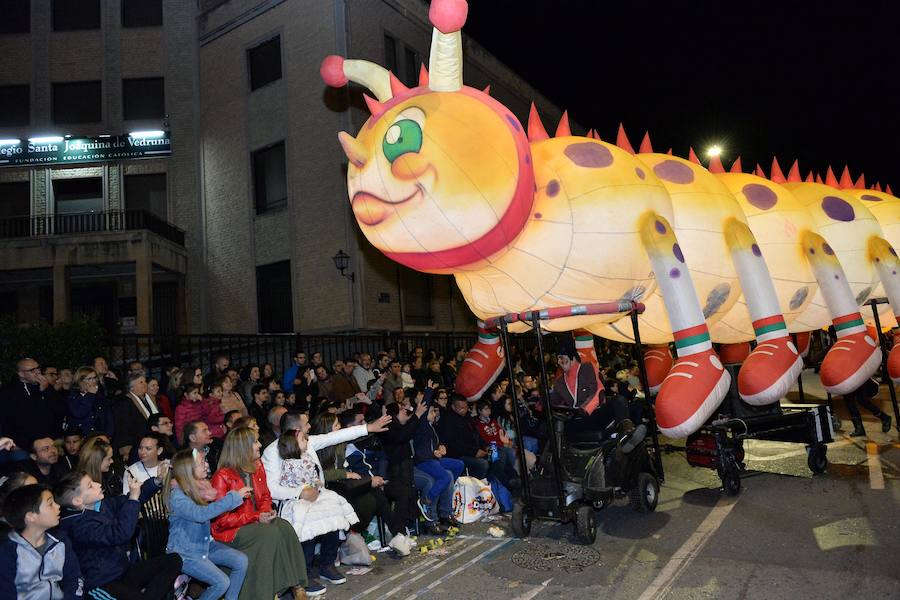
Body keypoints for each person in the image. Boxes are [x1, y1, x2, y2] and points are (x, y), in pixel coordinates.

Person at [210, 427, 310, 599]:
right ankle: (268, 592)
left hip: (254, 521)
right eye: (255, 442)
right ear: (243, 447)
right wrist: (256, 517)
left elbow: (265, 496)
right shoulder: (222, 476)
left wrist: (264, 513)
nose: (260, 445)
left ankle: (297, 585)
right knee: (270, 533)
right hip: (231, 532)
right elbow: (220, 520)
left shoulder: (257, 466)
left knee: (284, 526)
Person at [55, 468, 181, 600]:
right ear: (77, 501)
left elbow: (131, 499)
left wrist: (156, 481)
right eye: (90, 486)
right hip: (103, 583)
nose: (98, 484)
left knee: (173, 560)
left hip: (122, 571)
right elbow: (120, 534)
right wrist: (133, 498)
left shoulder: (100, 505)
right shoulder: (77, 526)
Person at [277, 429, 358, 588]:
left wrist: (317, 484)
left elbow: (313, 478)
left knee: (334, 513)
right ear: (293, 445)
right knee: (308, 526)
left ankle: (327, 564)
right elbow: (291, 485)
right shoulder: (288, 464)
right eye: (302, 439)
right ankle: (304, 573)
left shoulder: (307, 457)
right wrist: (304, 491)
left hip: (315, 494)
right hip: (297, 499)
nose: (306, 440)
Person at [165, 449, 249, 600]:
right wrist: (233, 498)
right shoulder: (177, 496)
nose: (206, 465)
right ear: (188, 470)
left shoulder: (200, 488)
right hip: (185, 553)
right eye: (201, 463)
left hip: (203, 545)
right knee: (222, 582)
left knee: (240, 560)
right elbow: (200, 515)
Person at [0, 484, 84, 599]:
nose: (57, 506)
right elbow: (6, 594)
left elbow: (74, 578)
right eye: (50, 504)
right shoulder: (8, 552)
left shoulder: (60, 541)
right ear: (31, 517)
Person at [413, 403, 464, 527]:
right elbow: (425, 450)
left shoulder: (432, 427)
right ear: (424, 414)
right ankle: (426, 501)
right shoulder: (422, 425)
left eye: (434, 412)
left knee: (459, 465)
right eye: (431, 412)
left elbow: (433, 444)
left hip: (434, 459)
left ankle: (444, 501)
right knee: (446, 477)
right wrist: (429, 389)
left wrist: (441, 448)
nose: (434, 414)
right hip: (424, 461)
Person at [0, 358, 62, 449]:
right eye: (32, 370)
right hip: (22, 445)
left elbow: (60, 410)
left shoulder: (46, 387)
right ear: (21, 374)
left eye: (38, 368)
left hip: (50, 441)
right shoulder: (8, 393)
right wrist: (14, 443)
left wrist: (47, 390)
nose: (38, 372)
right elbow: (6, 421)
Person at [439, 395, 491, 479]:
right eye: (461, 407)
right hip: (459, 455)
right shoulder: (447, 420)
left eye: (466, 407)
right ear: (453, 407)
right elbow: (453, 444)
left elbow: (476, 434)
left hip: (476, 450)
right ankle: (473, 484)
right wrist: (474, 452)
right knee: (483, 464)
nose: (464, 409)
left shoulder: (467, 416)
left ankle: (492, 483)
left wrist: (486, 446)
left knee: (497, 456)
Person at [112, 372, 159, 461]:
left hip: (153, 442)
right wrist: (126, 449)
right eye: (141, 382)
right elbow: (122, 426)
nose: (145, 384)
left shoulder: (150, 399)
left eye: (145, 381)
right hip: (136, 445)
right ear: (132, 387)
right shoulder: (124, 402)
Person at [66, 367, 115, 438]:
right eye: (89, 379)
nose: (93, 381)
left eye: (95, 378)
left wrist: (108, 435)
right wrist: (90, 395)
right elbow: (79, 413)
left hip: (99, 436)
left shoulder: (100, 397)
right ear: (80, 381)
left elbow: (108, 418)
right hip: (81, 438)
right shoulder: (73, 397)